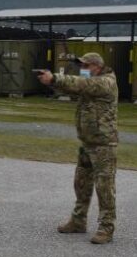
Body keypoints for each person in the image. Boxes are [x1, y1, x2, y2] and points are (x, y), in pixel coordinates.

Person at [37, 52, 118, 244]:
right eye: (81, 66)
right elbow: (73, 87)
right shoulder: (90, 83)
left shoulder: (106, 82)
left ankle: (106, 228)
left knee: (104, 188)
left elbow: (81, 84)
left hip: (103, 145)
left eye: (86, 66)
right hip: (87, 142)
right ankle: (78, 220)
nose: (83, 70)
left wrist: (55, 78)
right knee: (81, 184)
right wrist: (52, 81)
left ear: (97, 67)